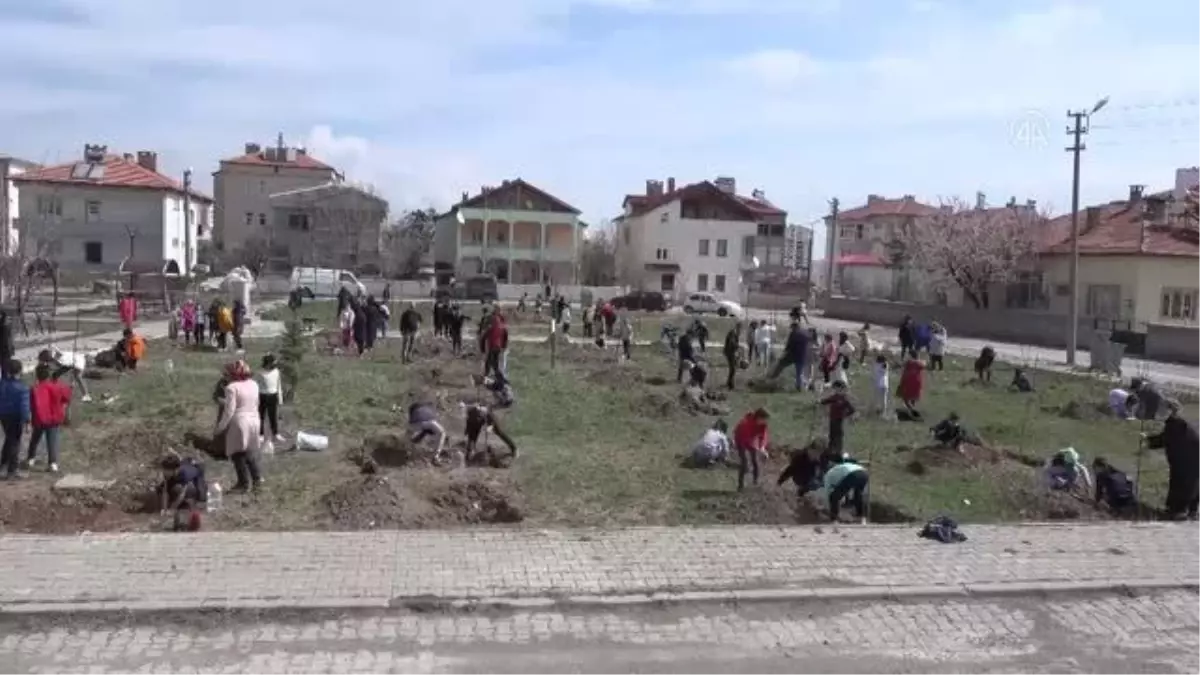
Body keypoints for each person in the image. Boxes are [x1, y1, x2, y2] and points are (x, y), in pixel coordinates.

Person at [1144, 400, 1200, 519]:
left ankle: (1178, 511)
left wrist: (1149, 440)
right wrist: (1149, 440)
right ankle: (1190, 510)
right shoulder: (1178, 424)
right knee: (1191, 485)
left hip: (1186, 463)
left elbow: (1166, 439)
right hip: (1189, 461)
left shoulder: (1176, 424)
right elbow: (1167, 439)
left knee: (1183, 486)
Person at [215, 360, 263, 492]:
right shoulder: (254, 384)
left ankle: (243, 483)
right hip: (254, 419)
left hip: (239, 421)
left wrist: (221, 427)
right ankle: (257, 479)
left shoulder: (232, 388)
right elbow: (257, 402)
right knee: (249, 450)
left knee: (237, 453)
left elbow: (229, 410)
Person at [25, 363, 72, 473]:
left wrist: (29, 419)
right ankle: (52, 463)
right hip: (54, 418)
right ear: (48, 375)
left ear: (37, 375)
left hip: (39, 418)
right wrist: (69, 387)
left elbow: (30, 405)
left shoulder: (34, 388)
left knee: (35, 439)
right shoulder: (57, 386)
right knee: (52, 441)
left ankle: (31, 459)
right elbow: (66, 398)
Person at [159, 453, 207, 532]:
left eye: (167, 471)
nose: (165, 472)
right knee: (165, 490)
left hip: (196, 476)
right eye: (164, 470)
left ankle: (190, 516)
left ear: (175, 470)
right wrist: (164, 508)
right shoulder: (167, 474)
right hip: (180, 476)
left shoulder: (184, 474)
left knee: (188, 492)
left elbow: (182, 494)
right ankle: (176, 520)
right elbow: (165, 490)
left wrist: (172, 508)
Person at [0, 359, 30, 480]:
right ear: (20, 371)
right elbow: (24, 407)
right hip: (16, 417)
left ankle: (3, 464)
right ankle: (12, 470)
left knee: (9, 439)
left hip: (3, 415)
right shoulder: (22, 388)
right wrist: (27, 421)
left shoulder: (2, 384)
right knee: (15, 442)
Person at [732, 408, 769, 491]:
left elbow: (763, 437)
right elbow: (744, 438)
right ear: (758, 418)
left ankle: (755, 482)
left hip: (750, 440)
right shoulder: (746, 423)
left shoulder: (763, 425)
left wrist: (762, 448)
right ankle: (740, 485)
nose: (765, 421)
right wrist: (753, 448)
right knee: (744, 462)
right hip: (740, 439)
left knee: (755, 460)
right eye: (763, 419)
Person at [824, 456, 869, 522]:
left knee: (833, 497)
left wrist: (828, 505)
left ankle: (834, 519)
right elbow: (844, 487)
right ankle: (861, 518)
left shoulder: (829, 473)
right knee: (857, 495)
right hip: (864, 473)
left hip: (852, 474)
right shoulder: (841, 467)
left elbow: (827, 491)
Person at [768, 322, 809, 391]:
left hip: (792, 355)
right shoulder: (805, 334)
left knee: (781, 364)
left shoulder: (793, 334)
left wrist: (783, 354)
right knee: (799, 373)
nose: (791, 329)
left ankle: (773, 378)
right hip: (801, 355)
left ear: (794, 327)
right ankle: (799, 387)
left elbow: (789, 346)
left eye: (792, 328)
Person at [820, 380, 856, 455]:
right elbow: (826, 401)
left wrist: (845, 415)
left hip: (839, 421)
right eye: (835, 389)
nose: (836, 390)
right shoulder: (834, 397)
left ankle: (838, 451)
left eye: (838, 389)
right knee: (832, 435)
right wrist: (820, 401)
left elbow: (852, 409)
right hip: (832, 419)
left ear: (842, 389)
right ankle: (831, 450)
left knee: (838, 436)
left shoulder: (844, 399)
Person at [258, 354, 283, 444]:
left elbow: (278, 385)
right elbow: (258, 385)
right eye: (272, 362)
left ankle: (275, 434)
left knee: (273, 416)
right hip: (263, 395)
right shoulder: (261, 372)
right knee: (261, 416)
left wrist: (280, 399)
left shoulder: (276, 372)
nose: (274, 364)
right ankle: (260, 434)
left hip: (273, 396)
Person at [483, 310, 507, 378]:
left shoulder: (491, 327)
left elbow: (484, 337)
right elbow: (505, 336)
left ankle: (487, 375)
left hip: (492, 346)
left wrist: (482, 349)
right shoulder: (502, 327)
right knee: (495, 362)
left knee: (488, 362)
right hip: (498, 347)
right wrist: (504, 346)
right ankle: (497, 376)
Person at [722, 322, 743, 390]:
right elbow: (732, 342)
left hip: (731, 352)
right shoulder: (733, 333)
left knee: (733, 368)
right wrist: (738, 346)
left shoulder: (735, 333)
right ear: (738, 327)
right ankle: (730, 385)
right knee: (733, 369)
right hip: (729, 352)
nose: (740, 330)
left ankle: (729, 382)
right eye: (740, 328)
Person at [870, 354, 889, 418]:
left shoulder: (876, 366)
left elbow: (873, 375)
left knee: (877, 398)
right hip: (885, 384)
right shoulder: (886, 365)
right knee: (884, 399)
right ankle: (884, 411)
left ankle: (878, 410)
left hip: (878, 384)